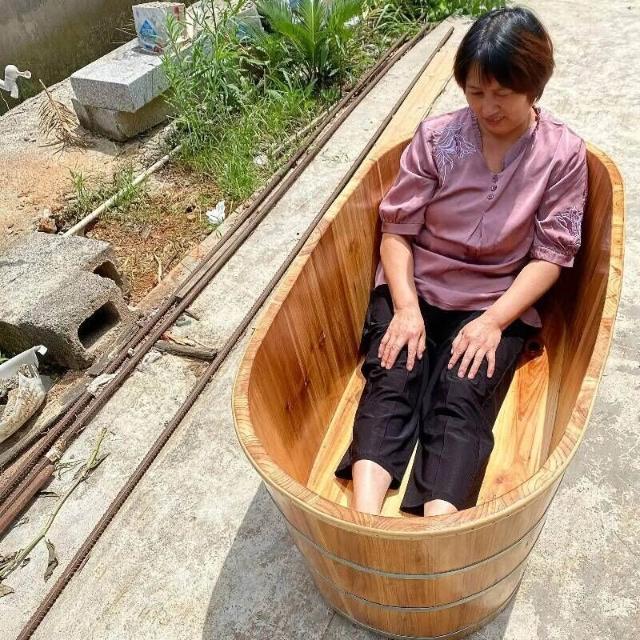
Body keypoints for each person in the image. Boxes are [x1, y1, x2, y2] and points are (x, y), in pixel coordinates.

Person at [334, 6, 588, 517]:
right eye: (475, 92)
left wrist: (493, 322)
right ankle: (363, 521)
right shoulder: (436, 138)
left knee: (463, 394)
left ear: (533, 86)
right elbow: (397, 231)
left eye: (502, 93)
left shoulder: (562, 154)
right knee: (393, 374)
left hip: (495, 298)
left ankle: (437, 532)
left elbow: (551, 256)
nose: (487, 107)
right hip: (418, 286)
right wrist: (406, 307)